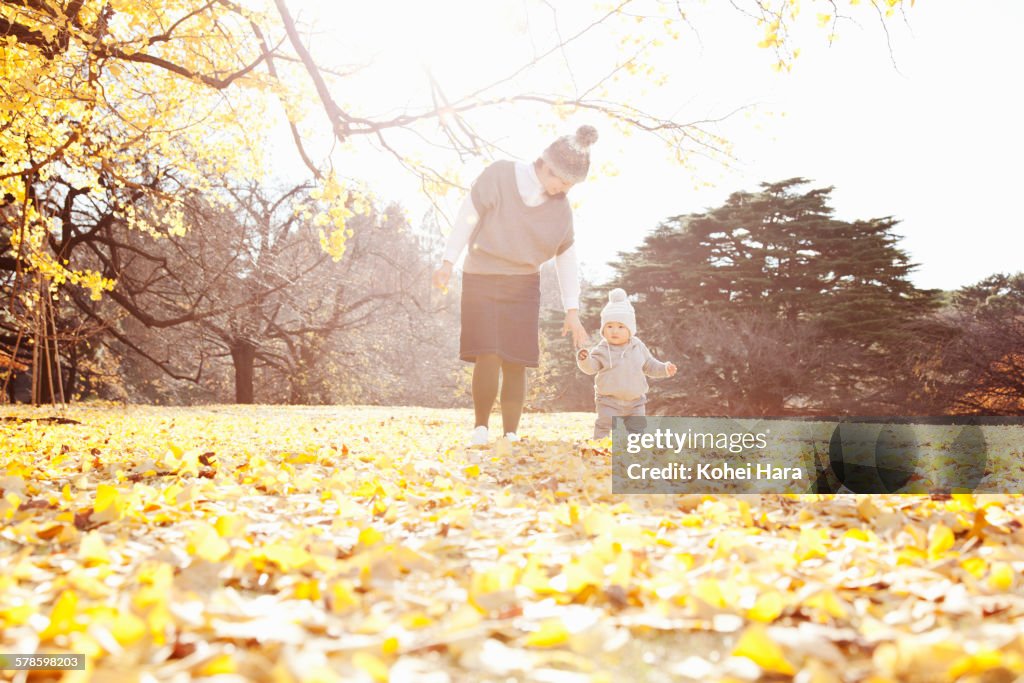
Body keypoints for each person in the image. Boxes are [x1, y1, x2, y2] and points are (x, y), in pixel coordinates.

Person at [433, 126, 597, 446]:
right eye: (562, 181)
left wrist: (572, 310)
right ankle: (481, 427)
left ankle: (511, 433)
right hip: (481, 275)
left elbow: (567, 257)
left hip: (522, 284)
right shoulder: (500, 175)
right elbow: (467, 215)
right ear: (548, 166)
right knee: (488, 352)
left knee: (516, 358)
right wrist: (447, 261)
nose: (564, 189)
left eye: (570, 185)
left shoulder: (560, 208)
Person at [576, 288, 677, 439]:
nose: (614, 331)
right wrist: (584, 359)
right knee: (604, 424)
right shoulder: (603, 348)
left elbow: (649, 365)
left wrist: (664, 369)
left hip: (635, 402)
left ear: (630, 329)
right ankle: (599, 446)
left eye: (621, 326)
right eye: (609, 326)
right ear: (603, 329)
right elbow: (591, 367)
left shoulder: (638, 346)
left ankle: (636, 451)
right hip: (608, 400)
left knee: (637, 430)